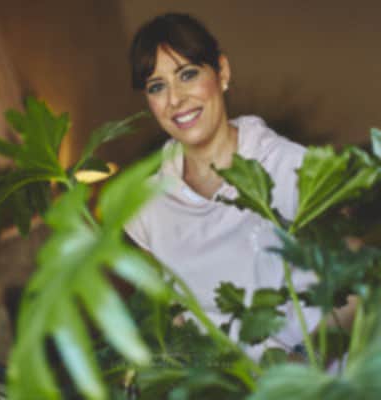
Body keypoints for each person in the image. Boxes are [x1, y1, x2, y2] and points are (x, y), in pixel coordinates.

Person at [125, 12, 321, 360]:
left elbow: (352, 288)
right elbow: (174, 320)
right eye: (157, 86)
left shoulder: (292, 167)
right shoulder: (146, 208)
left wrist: (301, 371)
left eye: (187, 74)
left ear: (222, 72)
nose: (175, 99)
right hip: (221, 382)